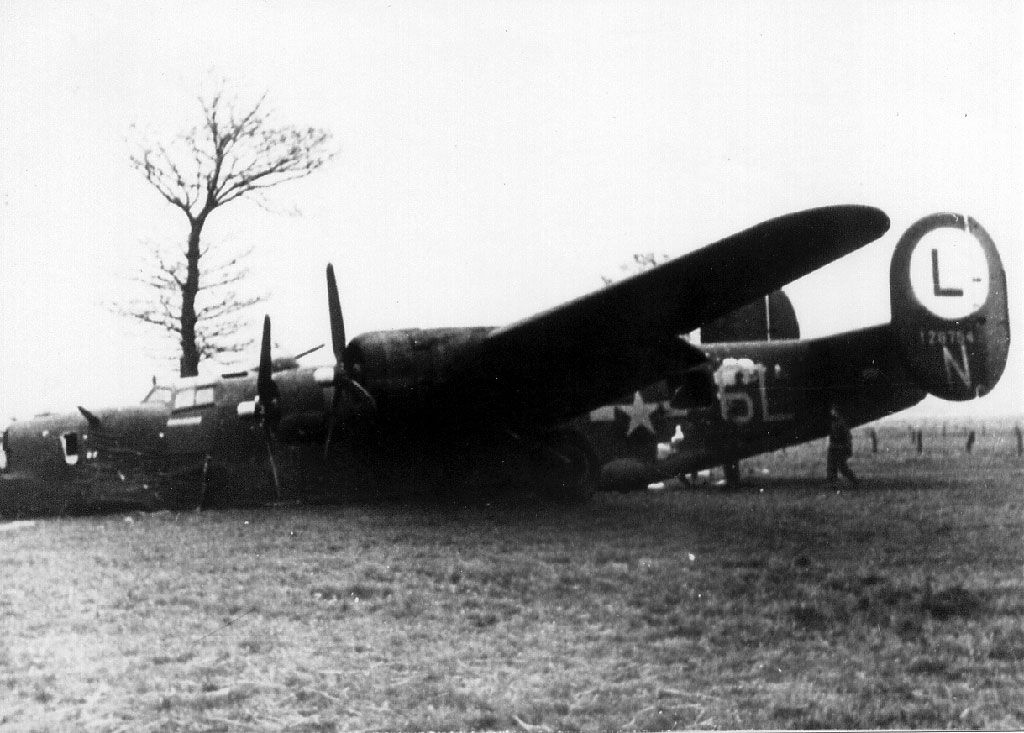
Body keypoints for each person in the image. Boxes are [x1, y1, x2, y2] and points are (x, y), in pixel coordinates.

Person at [827, 404, 857, 484]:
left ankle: (854, 480)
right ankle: (832, 482)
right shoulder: (835, 422)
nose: (831, 412)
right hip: (834, 447)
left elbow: (847, 437)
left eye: (833, 410)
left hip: (839, 448)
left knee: (841, 467)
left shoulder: (841, 422)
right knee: (832, 466)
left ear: (836, 412)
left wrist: (847, 448)